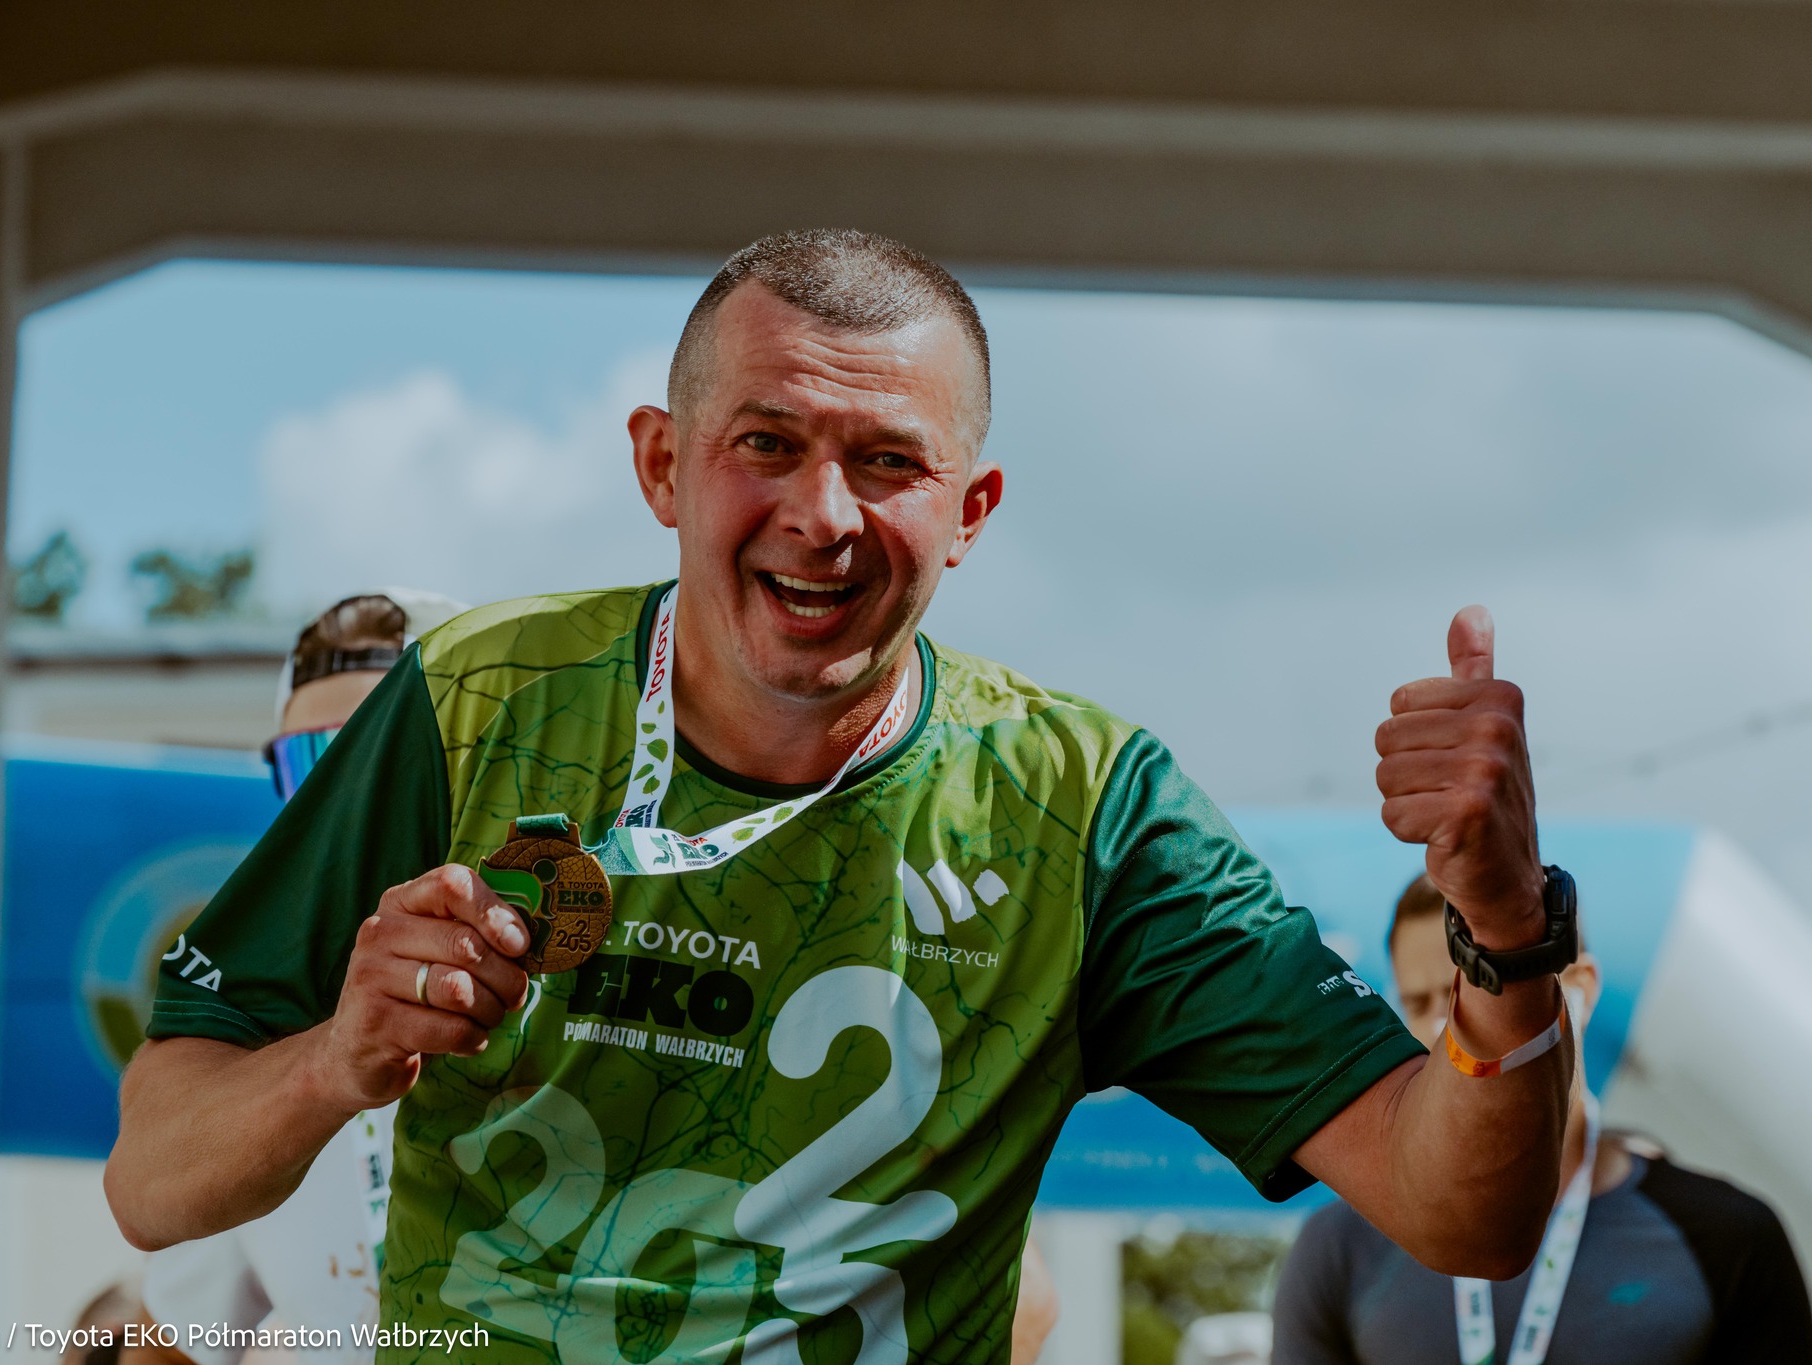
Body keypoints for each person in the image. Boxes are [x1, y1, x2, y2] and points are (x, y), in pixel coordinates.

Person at [107, 229, 1583, 1362]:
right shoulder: (475, 698)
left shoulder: (1087, 808)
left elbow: (1461, 1210)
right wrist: (335, 1060)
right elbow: (154, 1182)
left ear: (970, 510)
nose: (822, 518)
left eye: (887, 463)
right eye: (767, 443)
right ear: (663, 465)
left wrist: (1508, 930)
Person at [1271, 874, 1812, 1364]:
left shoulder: (1729, 1237)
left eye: (1475, 991)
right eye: (1419, 1003)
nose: (1444, 1030)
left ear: (1582, 987)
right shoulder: (1341, 1248)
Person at [130, 591, 462, 1365]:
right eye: (311, 763)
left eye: (382, 757)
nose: (344, 810)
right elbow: (169, 1342)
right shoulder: (255, 1060)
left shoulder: (597, 1008)